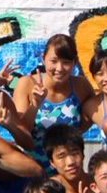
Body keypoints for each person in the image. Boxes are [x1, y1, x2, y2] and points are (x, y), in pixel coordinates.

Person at [8, 34, 98, 168]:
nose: (59, 68)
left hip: (68, 170)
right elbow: (22, 132)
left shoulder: (81, 85)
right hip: (34, 171)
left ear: (74, 63)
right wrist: (35, 105)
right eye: (54, 61)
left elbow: (92, 115)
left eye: (66, 62)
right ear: (43, 59)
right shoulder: (26, 84)